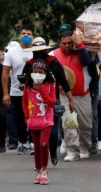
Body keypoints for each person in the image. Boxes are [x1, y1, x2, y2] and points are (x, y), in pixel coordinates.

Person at [22, 36, 74, 166]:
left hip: (52, 100)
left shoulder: (54, 62)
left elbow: (64, 81)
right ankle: (40, 162)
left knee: (53, 131)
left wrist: (70, 99)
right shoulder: (29, 65)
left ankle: (53, 152)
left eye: (41, 50)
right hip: (34, 102)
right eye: (36, 50)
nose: (39, 53)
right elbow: (23, 82)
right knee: (35, 132)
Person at [49, 25, 92, 162]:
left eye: (70, 43)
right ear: (59, 42)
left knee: (86, 124)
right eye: (64, 43)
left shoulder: (81, 50)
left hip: (83, 93)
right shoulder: (53, 55)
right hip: (64, 95)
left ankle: (84, 147)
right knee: (68, 122)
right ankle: (72, 150)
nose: (67, 46)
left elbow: (87, 62)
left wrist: (79, 43)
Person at [2, 25, 34, 155]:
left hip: (34, 91)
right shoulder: (12, 51)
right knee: (21, 118)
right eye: (23, 33)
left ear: (32, 36)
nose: (25, 35)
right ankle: (23, 143)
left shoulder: (36, 51)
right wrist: (5, 93)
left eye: (28, 34)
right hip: (16, 91)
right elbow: (5, 73)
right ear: (20, 35)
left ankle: (33, 143)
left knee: (33, 117)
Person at [23, 59, 56, 185]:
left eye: (40, 72)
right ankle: (38, 171)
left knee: (43, 144)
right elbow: (25, 102)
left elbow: (51, 103)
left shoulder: (49, 85)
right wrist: (27, 116)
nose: (37, 74)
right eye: (35, 71)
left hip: (46, 120)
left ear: (45, 73)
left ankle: (44, 170)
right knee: (36, 146)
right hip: (33, 120)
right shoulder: (27, 86)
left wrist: (42, 90)